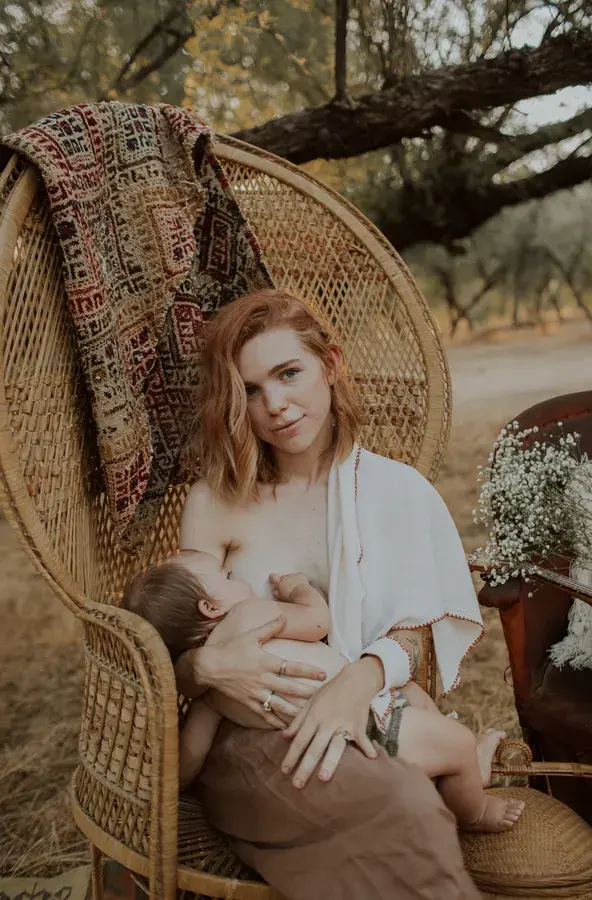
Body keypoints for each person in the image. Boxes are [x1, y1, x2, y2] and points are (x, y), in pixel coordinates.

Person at [173, 287, 490, 899]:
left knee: (399, 797)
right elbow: (178, 652)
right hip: (248, 740)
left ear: (332, 364)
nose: (277, 406)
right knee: (402, 803)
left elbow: (414, 640)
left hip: (367, 713)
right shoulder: (215, 503)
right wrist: (207, 665)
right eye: (252, 390)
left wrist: (355, 684)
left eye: (289, 373)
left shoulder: (396, 491)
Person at [124, 547, 523, 831]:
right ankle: (475, 809)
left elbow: (190, 756)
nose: (238, 577)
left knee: (419, 704)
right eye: (227, 578)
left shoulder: (208, 695)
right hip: (366, 725)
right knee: (451, 739)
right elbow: (318, 622)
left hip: (335, 750)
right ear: (211, 607)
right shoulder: (248, 615)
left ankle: (459, 770)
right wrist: (298, 590)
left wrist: (168, 783)